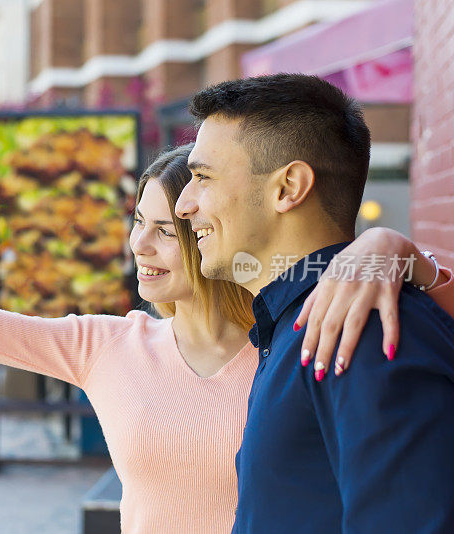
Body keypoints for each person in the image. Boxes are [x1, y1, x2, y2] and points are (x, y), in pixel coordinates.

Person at [0, 156, 452, 534]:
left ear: (209, 231)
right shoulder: (105, 346)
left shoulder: (305, 337)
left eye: (165, 229)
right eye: (138, 222)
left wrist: (400, 253)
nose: (140, 245)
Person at [175, 73, 454, 532]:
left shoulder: (364, 327)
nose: (185, 205)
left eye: (203, 177)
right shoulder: (292, 322)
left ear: (288, 188)